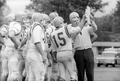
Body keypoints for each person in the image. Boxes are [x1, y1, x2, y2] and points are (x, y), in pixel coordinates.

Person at [50, 16, 86, 81]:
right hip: (67, 52)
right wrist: (83, 20)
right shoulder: (65, 29)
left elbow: (53, 49)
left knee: (62, 76)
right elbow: (78, 29)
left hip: (58, 55)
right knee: (73, 74)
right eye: (62, 22)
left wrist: (54, 58)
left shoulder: (52, 34)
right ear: (60, 23)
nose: (64, 23)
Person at [69, 12, 97, 81]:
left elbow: (95, 28)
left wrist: (92, 21)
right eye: (74, 17)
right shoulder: (70, 29)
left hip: (88, 51)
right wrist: (82, 23)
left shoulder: (86, 27)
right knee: (80, 74)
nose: (76, 19)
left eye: (77, 17)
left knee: (90, 73)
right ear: (70, 20)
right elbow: (75, 33)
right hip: (79, 52)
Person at [25, 13, 48, 81]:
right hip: (36, 53)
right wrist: (43, 55)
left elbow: (25, 39)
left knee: (32, 77)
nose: (43, 21)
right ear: (37, 19)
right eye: (41, 19)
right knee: (39, 77)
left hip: (30, 53)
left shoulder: (31, 26)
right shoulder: (37, 27)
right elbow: (37, 42)